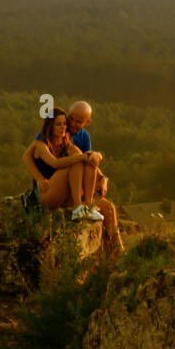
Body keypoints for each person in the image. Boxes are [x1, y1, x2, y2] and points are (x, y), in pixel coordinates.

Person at [55, 100, 124, 257]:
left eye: (78, 121)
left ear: (87, 122)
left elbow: (90, 162)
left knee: (109, 209)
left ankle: (115, 257)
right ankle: (115, 257)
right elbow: (83, 158)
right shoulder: (58, 130)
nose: (71, 123)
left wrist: (103, 178)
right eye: (70, 118)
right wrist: (95, 156)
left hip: (78, 189)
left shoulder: (84, 136)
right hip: (63, 190)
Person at [22, 109, 102, 218]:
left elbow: (86, 158)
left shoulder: (67, 144)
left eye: (64, 124)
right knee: (77, 161)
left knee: (86, 162)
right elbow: (55, 163)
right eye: (58, 124)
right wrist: (39, 178)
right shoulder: (41, 145)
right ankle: (78, 207)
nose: (63, 127)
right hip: (44, 194)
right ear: (50, 126)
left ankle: (88, 207)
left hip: (60, 194)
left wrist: (96, 155)